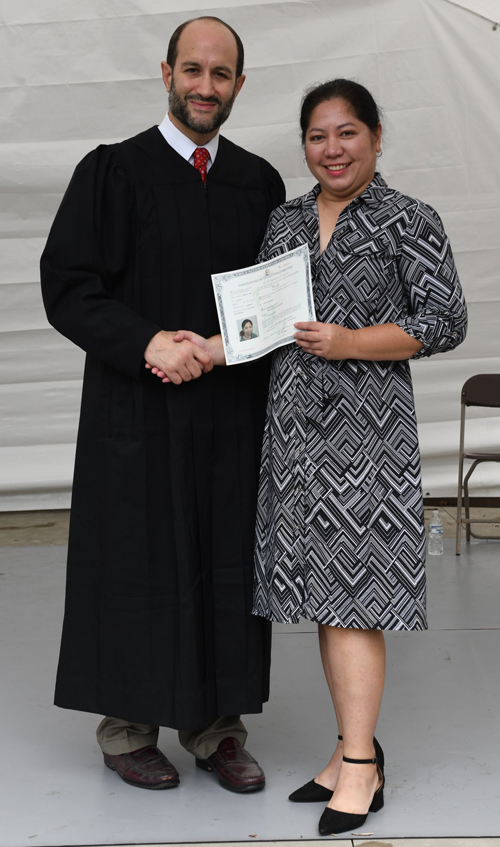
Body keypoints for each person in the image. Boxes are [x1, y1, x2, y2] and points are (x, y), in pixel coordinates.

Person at [167, 79, 467, 831]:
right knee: (326, 601)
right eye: (317, 136)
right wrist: (207, 344)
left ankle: (362, 765)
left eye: (347, 133)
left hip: (367, 438)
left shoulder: (409, 219)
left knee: (355, 599)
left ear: (374, 136)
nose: (331, 149)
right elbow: (261, 322)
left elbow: (445, 321)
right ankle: (348, 748)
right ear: (304, 144)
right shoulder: (287, 219)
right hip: (296, 435)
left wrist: (353, 342)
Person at [40, 16, 284, 795]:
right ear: (166, 72)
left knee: (222, 560)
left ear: (239, 85)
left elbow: (277, 301)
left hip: (228, 413)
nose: (204, 86)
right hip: (135, 412)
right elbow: (69, 285)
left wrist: (216, 346)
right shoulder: (111, 171)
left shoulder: (259, 182)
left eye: (221, 75)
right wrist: (149, 342)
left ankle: (218, 730)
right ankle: (126, 730)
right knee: (135, 559)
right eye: (192, 70)